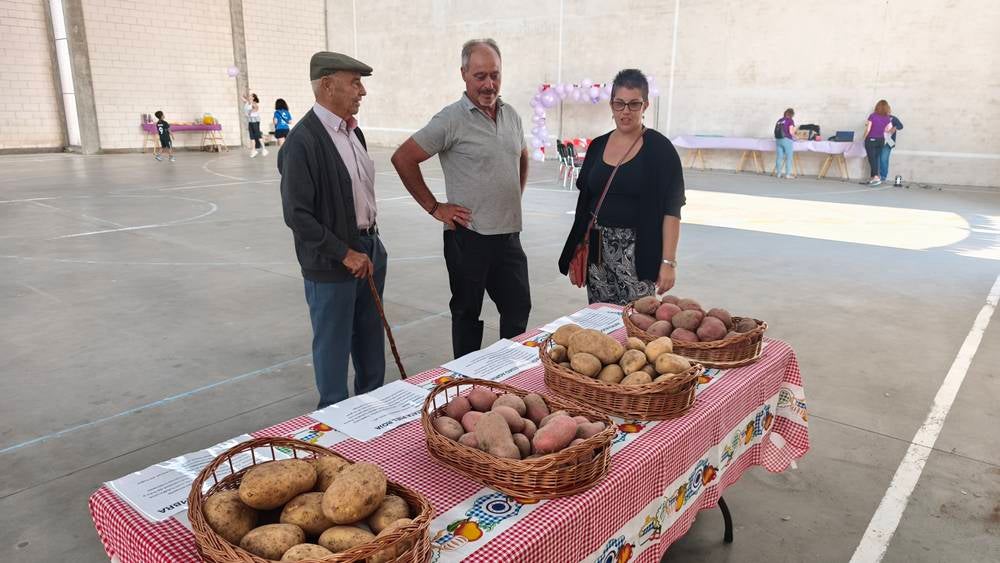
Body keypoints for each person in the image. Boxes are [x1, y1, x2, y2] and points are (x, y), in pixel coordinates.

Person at [391, 38, 531, 359]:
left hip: (508, 236)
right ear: (464, 74)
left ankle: (509, 377)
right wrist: (435, 207)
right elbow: (403, 158)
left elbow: (521, 157)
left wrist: (514, 196)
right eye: (480, 76)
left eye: (494, 74)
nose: (489, 83)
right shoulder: (450, 119)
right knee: (468, 314)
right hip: (469, 238)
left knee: (518, 308)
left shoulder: (511, 116)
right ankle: (466, 383)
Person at [277, 51, 386, 409]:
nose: (362, 91)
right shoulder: (302, 142)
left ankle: (370, 414)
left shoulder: (354, 134)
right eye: (354, 82)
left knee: (370, 340)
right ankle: (336, 423)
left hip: (369, 250)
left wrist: (369, 249)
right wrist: (344, 252)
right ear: (327, 85)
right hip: (332, 263)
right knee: (334, 347)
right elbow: (298, 214)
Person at [558, 69, 685, 305]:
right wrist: (577, 246)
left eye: (634, 104)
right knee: (598, 312)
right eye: (619, 104)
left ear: (645, 105)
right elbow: (586, 203)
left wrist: (668, 262)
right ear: (611, 105)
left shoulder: (660, 149)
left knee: (637, 320)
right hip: (596, 243)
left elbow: (672, 209)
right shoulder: (597, 146)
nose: (625, 112)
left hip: (638, 248)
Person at [863, 99, 893, 185]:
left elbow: (868, 129)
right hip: (881, 140)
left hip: (871, 139)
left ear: (877, 106)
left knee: (871, 159)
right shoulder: (887, 118)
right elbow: (888, 129)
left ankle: (876, 177)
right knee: (875, 159)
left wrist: (864, 138)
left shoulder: (872, 116)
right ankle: (873, 177)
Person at [242, 92, 268, 158]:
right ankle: (253, 150)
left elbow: (256, 108)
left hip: (255, 120)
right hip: (250, 121)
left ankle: (264, 149)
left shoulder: (254, 103)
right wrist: (245, 94)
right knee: (252, 136)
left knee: (257, 134)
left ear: (253, 97)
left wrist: (251, 111)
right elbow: (243, 97)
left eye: (251, 95)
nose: (249, 96)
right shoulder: (247, 102)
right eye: (249, 95)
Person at [880, 113, 904, 183]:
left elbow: (901, 126)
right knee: (877, 158)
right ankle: (876, 176)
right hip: (879, 139)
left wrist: (895, 127)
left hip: (889, 141)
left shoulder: (893, 118)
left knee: (884, 159)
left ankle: (883, 176)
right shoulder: (877, 117)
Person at [774, 108, 796, 179]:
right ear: (792, 114)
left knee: (779, 157)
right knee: (788, 158)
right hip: (787, 140)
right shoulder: (790, 120)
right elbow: (791, 132)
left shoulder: (779, 120)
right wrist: (796, 137)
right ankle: (787, 174)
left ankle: (778, 174)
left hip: (778, 140)